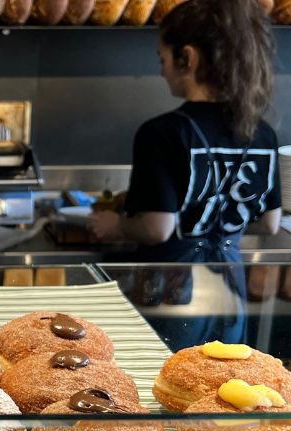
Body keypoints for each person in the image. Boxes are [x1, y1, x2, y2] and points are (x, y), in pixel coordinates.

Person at [87, 0, 281, 263]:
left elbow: (157, 229)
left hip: (167, 290)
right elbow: (269, 222)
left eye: (163, 59)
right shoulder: (263, 133)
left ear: (187, 58)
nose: (162, 72)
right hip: (229, 288)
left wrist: (116, 226)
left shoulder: (162, 132)